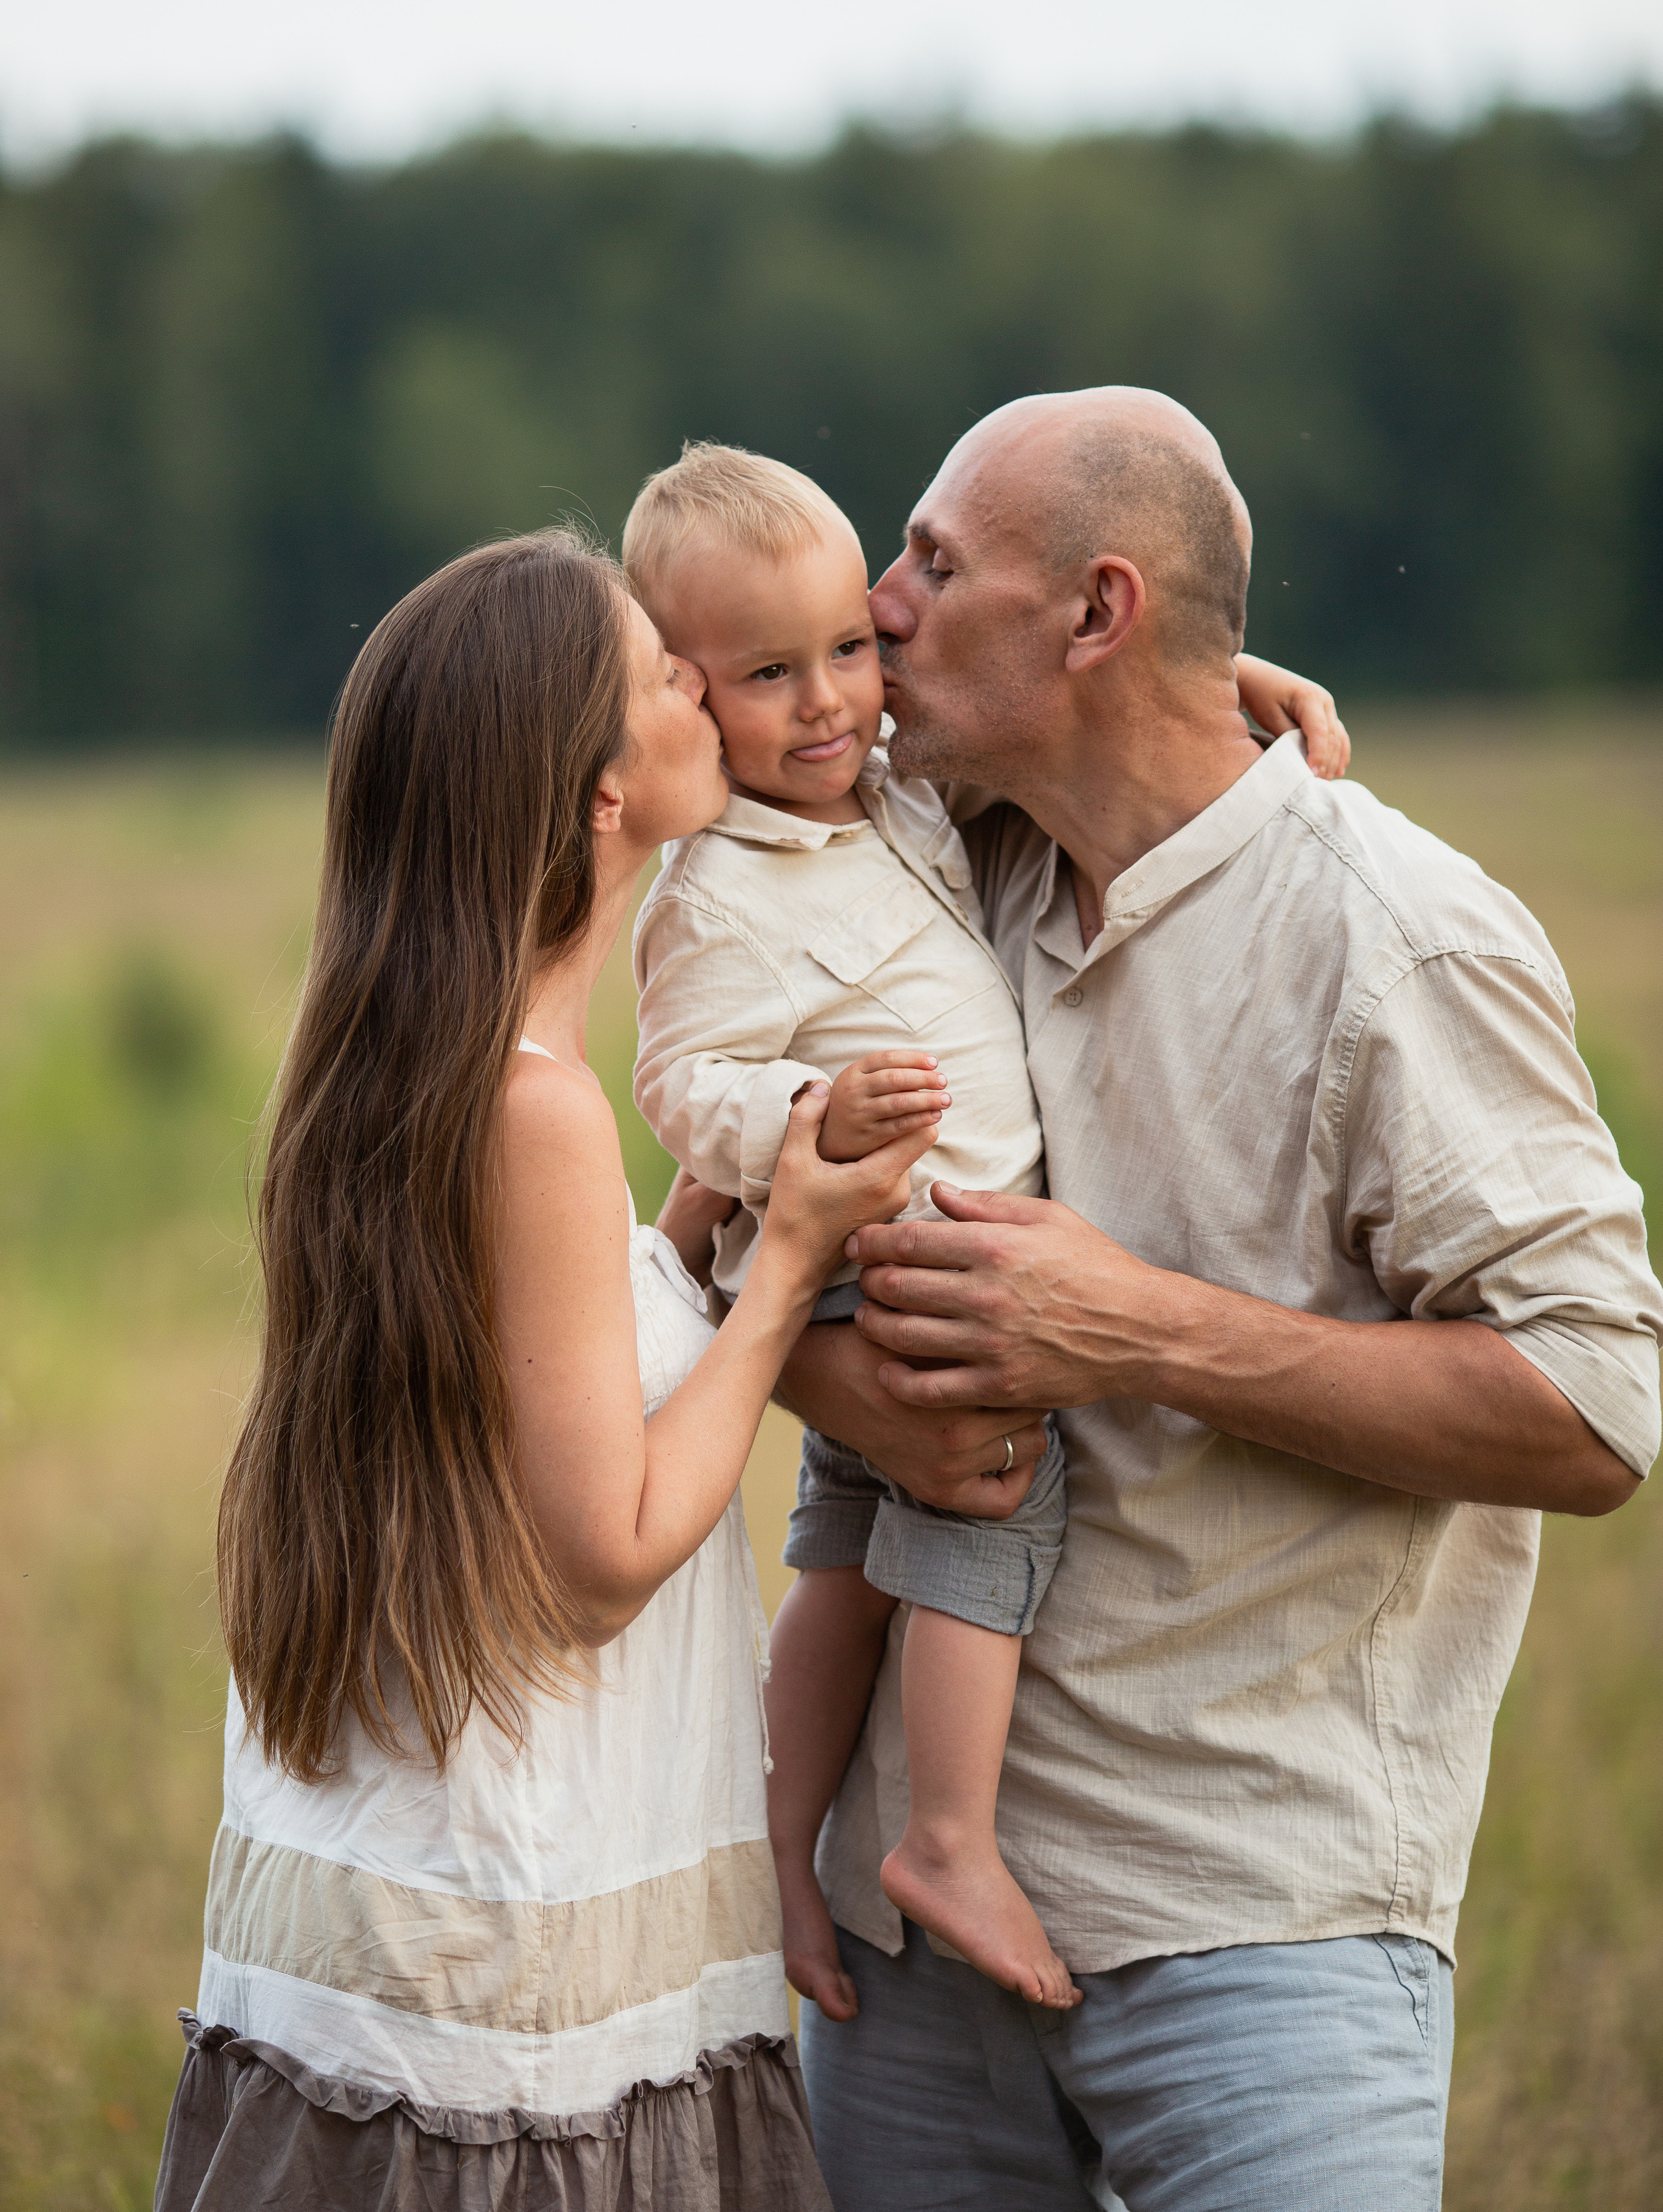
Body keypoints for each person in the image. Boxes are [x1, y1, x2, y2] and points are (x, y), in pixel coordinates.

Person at [778, 388, 1663, 2211]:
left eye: (937, 561)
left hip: (1268, 1935)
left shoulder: (1398, 934)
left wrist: (1137, 1327)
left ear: (1098, 617)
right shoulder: (938, 862)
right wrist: (832, 1378)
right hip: (901, 1950)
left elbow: (1595, 1407)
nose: (881, 599)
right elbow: (731, 1228)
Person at [153, 529, 940, 2212]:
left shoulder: (429, 1068)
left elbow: (544, 1361)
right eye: (672, 673)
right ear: (597, 792)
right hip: (514, 1981)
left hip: (404, 1929)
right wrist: (790, 1257)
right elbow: (602, 1552)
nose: (720, 690)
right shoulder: (532, 1109)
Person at [622, 443, 1347, 2020]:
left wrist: (1227, 681)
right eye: (767, 673)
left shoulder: (881, 792)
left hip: (884, 1254)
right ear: (682, 693)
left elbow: (1090, 694)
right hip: (894, 1254)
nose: (828, 700)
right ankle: (946, 1836)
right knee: (994, 1487)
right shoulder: (720, 886)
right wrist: (806, 1114)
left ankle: (775, 1839)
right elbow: (679, 1080)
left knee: (843, 1564)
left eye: (848, 650)